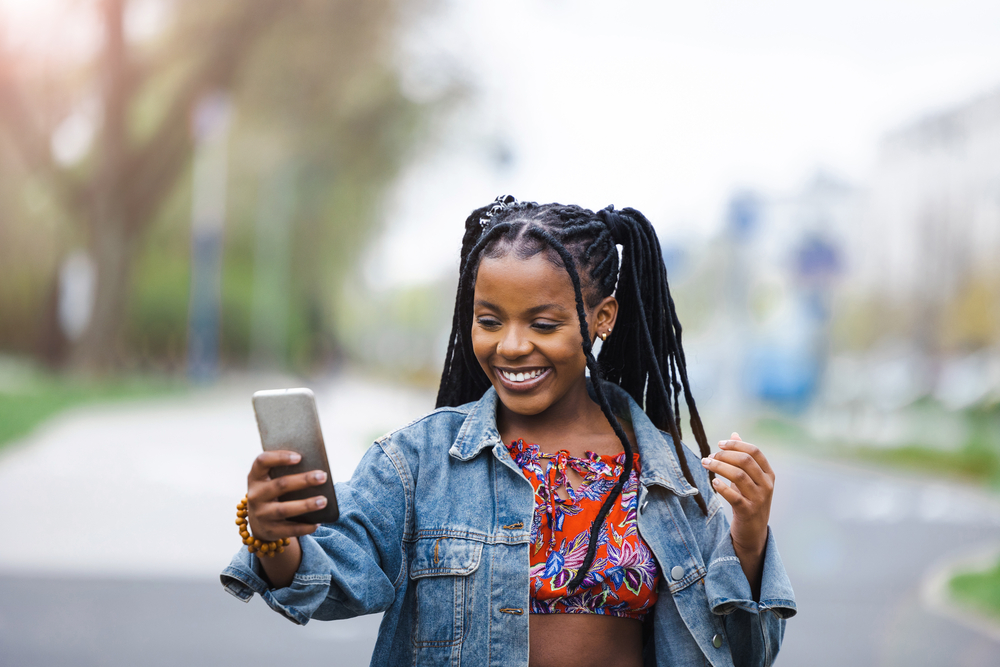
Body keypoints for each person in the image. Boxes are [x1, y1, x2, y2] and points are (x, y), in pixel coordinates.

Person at [221, 197, 796, 667]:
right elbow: (332, 580)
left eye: (543, 323)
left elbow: (747, 656)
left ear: (602, 317)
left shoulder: (671, 477)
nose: (511, 345)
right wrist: (275, 535)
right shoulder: (420, 461)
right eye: (489, 320)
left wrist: (748, 536)